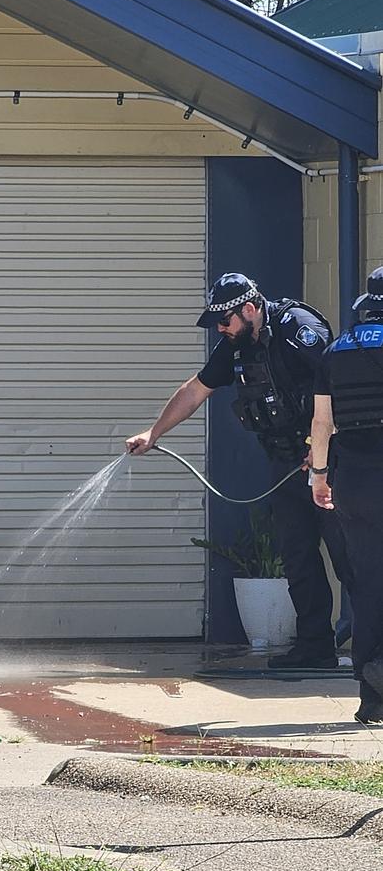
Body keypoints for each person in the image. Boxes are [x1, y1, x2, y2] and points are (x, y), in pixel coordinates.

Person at [126, 272, 354, 670]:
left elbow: (339, 388)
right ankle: (315, 647)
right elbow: (196, 389)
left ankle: (375, 654)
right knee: (298, 557)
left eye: (225, 320)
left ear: (250, 310)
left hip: (326, 462)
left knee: (350, 557)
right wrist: (154, 431)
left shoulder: (298, 329)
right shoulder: (237, 344)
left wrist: (321, 450)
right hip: (285, 463)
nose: (220, 329)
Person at [311, 267, 383, 723]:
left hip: (352, 482)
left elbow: (321, 424)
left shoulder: (336, 351)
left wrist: (319, 477)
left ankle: (370, 696)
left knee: (368, 585)